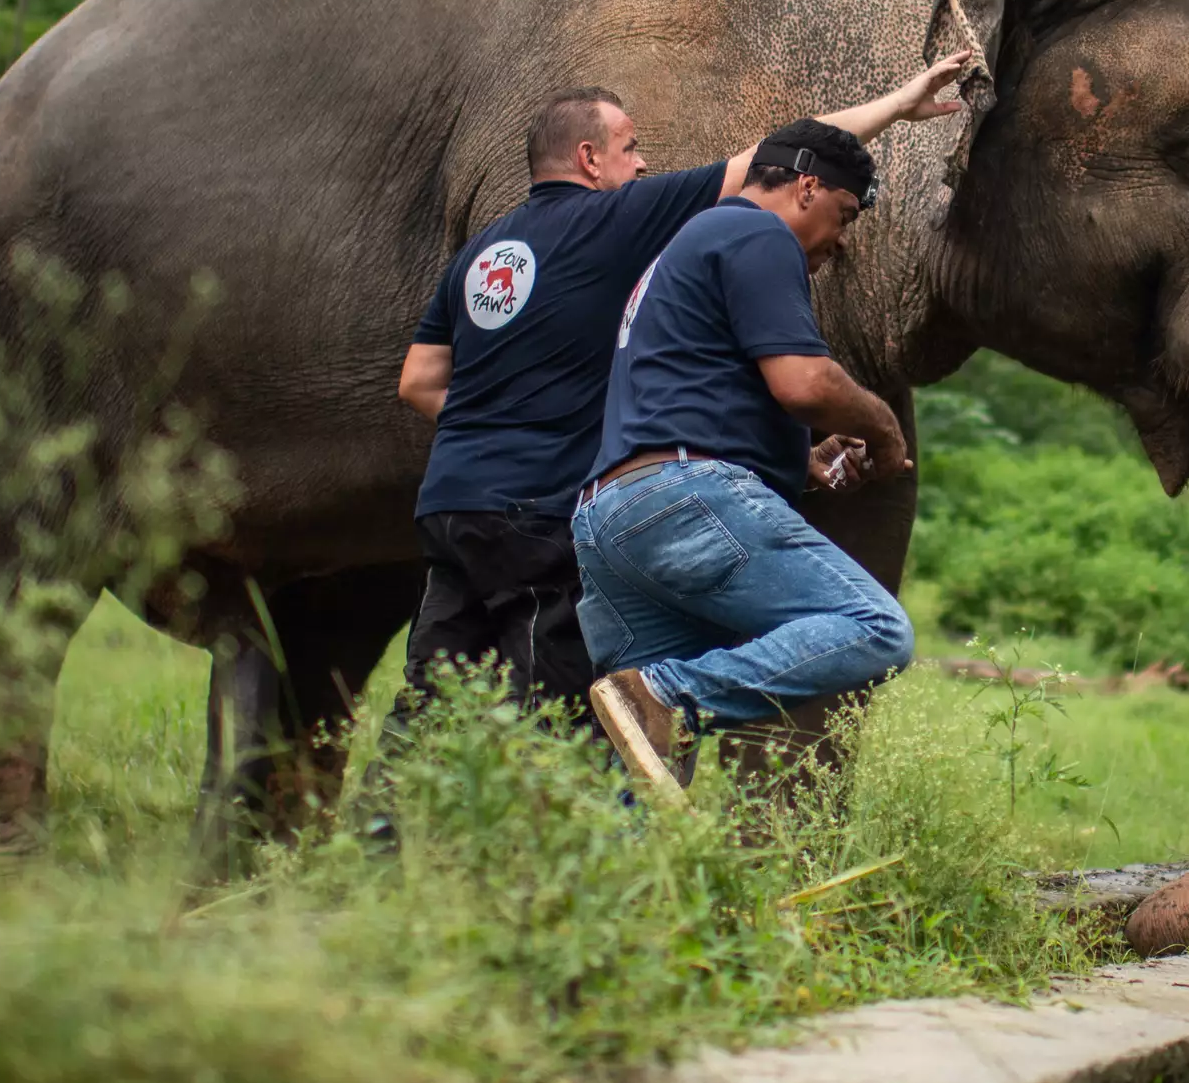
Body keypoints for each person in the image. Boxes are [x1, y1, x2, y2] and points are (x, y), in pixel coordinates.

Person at [397, 66, 964, 718]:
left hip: (481, 501)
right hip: (569, 506)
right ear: (589, 158)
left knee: (443, 698)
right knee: (549, 704)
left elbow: (418, 381)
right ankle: (658, 713)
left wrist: (502, 427)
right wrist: (897, 104)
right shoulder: (641, 219)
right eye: (631, 148)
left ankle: (396, 821)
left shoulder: (483, 252)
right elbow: (772, 164)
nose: (642, 165)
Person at [573, 118, 922, 797]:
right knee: (876, 630)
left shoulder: (690, 244)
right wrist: (884, 430)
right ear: (807, 186)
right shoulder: (757, 233)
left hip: (608, 515)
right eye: (844, 216)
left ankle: (606, 893)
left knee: (643, 770)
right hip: (679, 500)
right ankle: (673, 696)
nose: (841, 241)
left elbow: (704, 385)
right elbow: (803, 381)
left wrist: (799, 459)